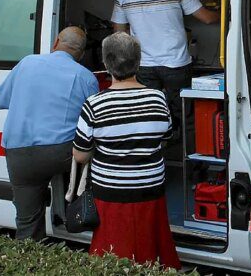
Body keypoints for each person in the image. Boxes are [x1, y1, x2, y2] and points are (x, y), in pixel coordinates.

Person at [73, 32, 180, 269]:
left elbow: (80, 155)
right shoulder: (158, 99)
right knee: (152, 252)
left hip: (110, 192)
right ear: (139, 62)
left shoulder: (95, 104)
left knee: (112, 257)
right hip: (151, 190)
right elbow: (165, 138)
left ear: (106, 64)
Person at [0, 26, 98, 241]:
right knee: (87, 157)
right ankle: (74, 212)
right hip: (60, 153)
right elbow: (94, 121)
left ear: (55, 43)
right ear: (81, 54)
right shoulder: (85, 76)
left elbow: (3, 99)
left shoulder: (26, 63)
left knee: (26, 221)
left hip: (19, 151)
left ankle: (31, 257)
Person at [112, 0, 219, 130]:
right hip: (176, 63)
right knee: (183, 112)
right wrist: (229, 11)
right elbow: (207, 18)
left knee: (149, 113)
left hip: (143, 65)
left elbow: (118, 32)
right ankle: (186, 154)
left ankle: (156, 151)